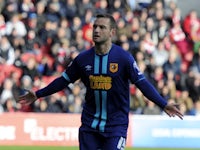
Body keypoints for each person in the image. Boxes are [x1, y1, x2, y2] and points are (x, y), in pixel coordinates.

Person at [18, 13, 183, 150]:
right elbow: (63, 81)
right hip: (89, 126)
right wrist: (38, 94)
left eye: (102, 27)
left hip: (115, 126)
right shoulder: (82, 59)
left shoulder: (123, 58)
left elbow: (142, 83)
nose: (96, 30)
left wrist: (163, 104)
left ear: (112, 32)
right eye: (94, 27)